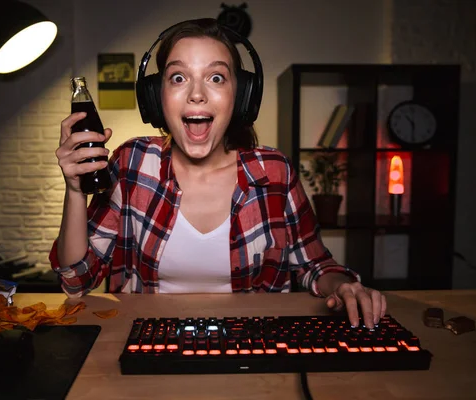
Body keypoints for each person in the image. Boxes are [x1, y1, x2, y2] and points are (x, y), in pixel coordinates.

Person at [49, 18, 386, 329]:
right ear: (156, 97)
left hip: (251, 347)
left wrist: (344, 287)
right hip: (145, 344)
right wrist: (76, 190)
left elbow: (316, 265)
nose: (197, 94)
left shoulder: (274, 173)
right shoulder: (132, 163)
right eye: (178, 78)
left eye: (216, 77)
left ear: (241, 96)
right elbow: (77, 281)